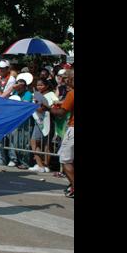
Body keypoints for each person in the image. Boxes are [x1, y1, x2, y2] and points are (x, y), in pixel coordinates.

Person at [50, 69, 74, 197]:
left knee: (65, 160)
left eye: (67, 79)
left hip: (73, 129)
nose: (66, 82)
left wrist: (48, 108)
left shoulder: (72, 94)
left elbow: (61, 113)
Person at [29, 78, 59, 173]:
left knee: (45, 143)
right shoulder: (36, 94)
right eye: (38, 85)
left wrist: (42, 106)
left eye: (41, 85)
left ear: (46, 86)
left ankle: (44, 165)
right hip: (38, 121)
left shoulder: (51, 94)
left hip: (48, 121)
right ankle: (40, 165)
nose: (39, 87)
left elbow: (54, 105)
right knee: (35, 142)